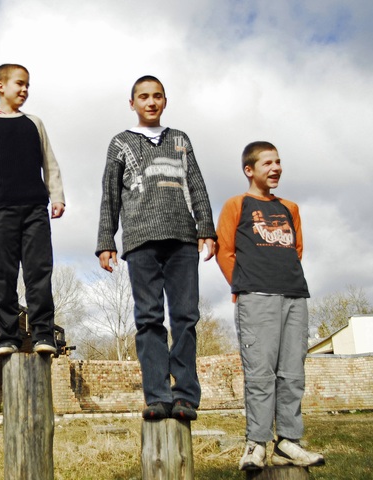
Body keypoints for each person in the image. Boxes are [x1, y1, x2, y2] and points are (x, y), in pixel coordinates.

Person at [95, 75, 216, 422]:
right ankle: (158, 396)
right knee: (148, 319)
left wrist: (206, 228)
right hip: (140, 241)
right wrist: (106, 240)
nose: (151, 102)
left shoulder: (180, 140)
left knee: (185, 318)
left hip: (182, 239)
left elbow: (197, 184)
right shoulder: (120, 143)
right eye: (143, 97)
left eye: (157, 96)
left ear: (165, 101)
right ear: (131, 103)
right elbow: (110, 196)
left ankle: (185, 396)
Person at [216, 141, 325, 470]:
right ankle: (256, 443)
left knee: (292, 374)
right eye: (267, 163)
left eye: (278, 162)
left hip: (294, 296)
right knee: (260, 375)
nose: (275, 168)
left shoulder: (290, 208)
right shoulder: (237, 204)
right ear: (250, 170)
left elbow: (297, 249)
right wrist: (246, 285)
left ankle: (289, 441)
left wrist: (283, 279)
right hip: (256, 298)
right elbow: (224, 250)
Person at [0, 63, 65, 358]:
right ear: (1, 86)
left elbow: (50, 163)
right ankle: (8, 335)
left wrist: (56, 196)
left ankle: (44, 333)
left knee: (38, 272)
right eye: (20, 84)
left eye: (28, 86)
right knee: (4, 274)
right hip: (1, 211)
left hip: (35, 209)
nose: (24, 90)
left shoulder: (34, 123)